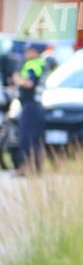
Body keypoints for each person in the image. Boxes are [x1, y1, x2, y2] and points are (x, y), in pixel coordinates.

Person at [10, 43, 46, 172]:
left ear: (35, 52)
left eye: (28, 51)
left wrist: (17, 79)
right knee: (35, 138)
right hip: (37, 105)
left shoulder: (33, 64)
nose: (26, 54)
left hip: (30, 106)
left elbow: (29, 83)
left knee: (26, 137)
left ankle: (25, 167)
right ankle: (35, 167)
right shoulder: (42, 63)